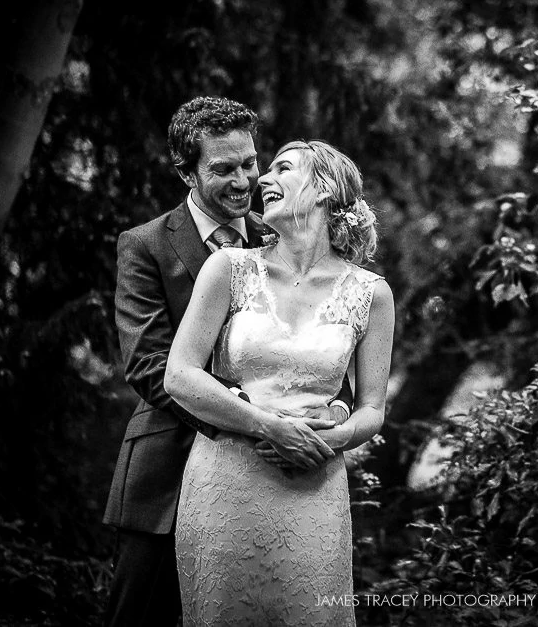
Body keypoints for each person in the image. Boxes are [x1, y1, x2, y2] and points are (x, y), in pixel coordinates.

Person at [102, 98, 353, 627]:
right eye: (223, 169)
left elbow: (323, 349)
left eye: (250, 163)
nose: (244, 181)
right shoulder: (146, 245)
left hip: (276, 478)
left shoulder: (282, 235)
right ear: (186, 171)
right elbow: (149, 364)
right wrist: (250, 419)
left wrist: (322, 415)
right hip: (167, 475)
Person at [164, 139, 394, 626]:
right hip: (225, 484)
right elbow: (180, 376)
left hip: (314, 483)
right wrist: (268, 426)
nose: (260, 180)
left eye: (281, 169)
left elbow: (372, 407)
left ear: (325, 189)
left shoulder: (371, 294)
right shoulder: (228, 268)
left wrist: (337, 435)